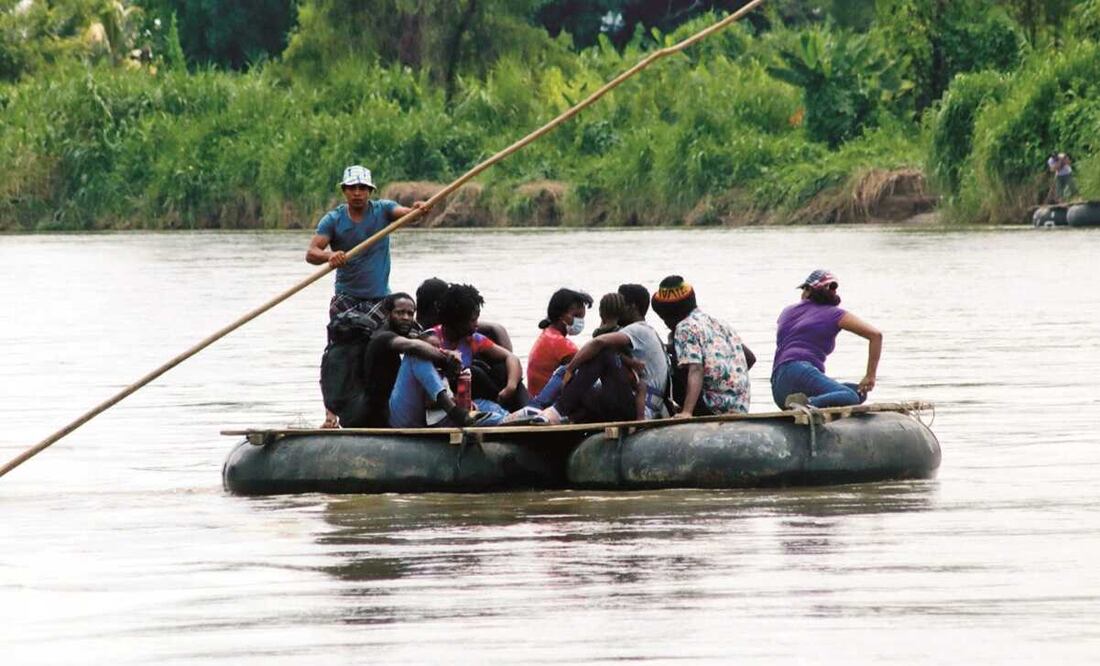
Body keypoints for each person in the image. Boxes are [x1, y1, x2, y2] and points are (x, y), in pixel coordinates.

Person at [306, 164, 423, 427]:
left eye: (362, 188)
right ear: (344, 191)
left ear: (369, 191)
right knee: (339, 355)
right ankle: (331, 415)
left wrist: (416, 211)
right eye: (352, 188)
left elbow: (406, 214)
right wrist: (329, 256)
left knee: (400, 345)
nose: (357, 193)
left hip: (380, 299)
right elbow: (312, 253)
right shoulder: (333, 220)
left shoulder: (382, 210)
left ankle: (400, 406)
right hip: (347, 299)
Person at [537, 284, 668, 424]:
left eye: (620, 303)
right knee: (584, 386)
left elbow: (598, 343)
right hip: (632, 400)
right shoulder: (638, 331)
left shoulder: (639, 330)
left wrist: (571, 368)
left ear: (632, 307)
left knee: (603, 352)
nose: (616, 308)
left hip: (641, 408)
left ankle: (557, 410)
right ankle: (557, 415)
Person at [770, 270, 883, 410]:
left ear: (808, 290)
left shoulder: (787, 311)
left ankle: (804, 403)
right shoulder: (835, 314)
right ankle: (808, 404)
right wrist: (870, 376)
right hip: (799, 370)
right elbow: (876, 335)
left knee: (859, 392)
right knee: (851, 397)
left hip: (778, 385)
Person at [351, 293, 462, 427]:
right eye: (400, 313)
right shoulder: (381, 338)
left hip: (405, 409)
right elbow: (413, 346)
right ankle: (453, 411)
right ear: (387, 314)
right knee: (414, 355)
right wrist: (446, 358)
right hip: (385, 415)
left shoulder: (406, 336)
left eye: (410, 314)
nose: (406, 318)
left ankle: (458, 411)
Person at [650, 276, 755, 417]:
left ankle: (683, 408)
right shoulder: (719, 324)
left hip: (711, 406)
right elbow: (750, 358)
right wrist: (725, 379)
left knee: (665, 364)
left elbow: (696, 369)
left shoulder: (684, 328)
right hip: (740, 405)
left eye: (664, 318)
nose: (665, 323)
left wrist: (687, 412)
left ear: (670, 314)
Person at [430, 283, 525, 411]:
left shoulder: (473, 339)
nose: (477, 325)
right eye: (472, 321)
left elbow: (511, 357)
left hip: (471, 397)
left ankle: (530, 413)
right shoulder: (432, 340)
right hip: (445, 403)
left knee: (503, 370)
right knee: (474, 372)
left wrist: (510, 387)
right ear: (457, 321)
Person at [527, 288, 593, 395]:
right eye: (576, 316)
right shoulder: (562, 345)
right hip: (548, 403)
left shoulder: (548, 334)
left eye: (582, 317)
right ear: (561, 315)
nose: (580, 321)